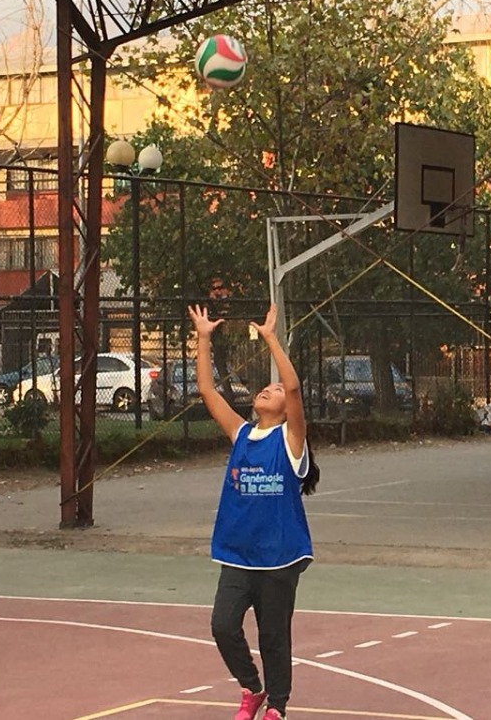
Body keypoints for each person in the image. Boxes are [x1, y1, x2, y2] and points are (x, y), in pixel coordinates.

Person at [189, 302, 319, 720]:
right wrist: (204, 339)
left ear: (285, 407)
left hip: (280, 554)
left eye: (275, 389)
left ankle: (277, 706)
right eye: (266, 387)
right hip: (238, 553)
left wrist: (271, 339)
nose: (269, 389)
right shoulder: (241, 433)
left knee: (273, 635)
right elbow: (208, 391)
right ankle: (252, 687)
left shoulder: (291, 440)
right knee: (223, 626)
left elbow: (295, 388)